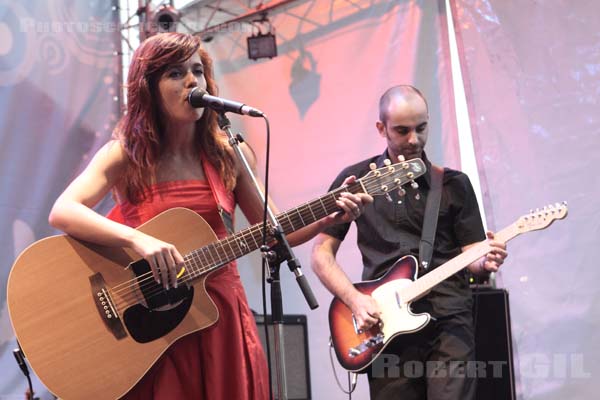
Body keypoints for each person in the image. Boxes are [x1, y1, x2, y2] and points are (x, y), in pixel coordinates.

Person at [48, 32, 370, 399]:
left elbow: (274, 231)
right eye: (175, 73)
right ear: (148, 87)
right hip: (157, 322)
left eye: (198, 71)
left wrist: (328, 215)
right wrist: (137, 239)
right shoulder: (126, 154)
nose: (192, 82)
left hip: (219, 313)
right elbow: (63, 211)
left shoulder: (228, 154)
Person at [311, 85, 508, 399]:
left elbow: (473, 256)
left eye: (421, 128)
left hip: (448, 319)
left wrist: (485, 261)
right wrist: (354, 300)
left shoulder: (454, 184)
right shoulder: (356, 180)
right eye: (402, 131)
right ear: (381, 128)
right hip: (386, 326)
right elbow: (321, 254)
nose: (414, 140)